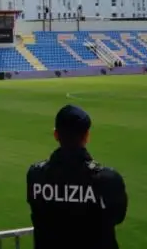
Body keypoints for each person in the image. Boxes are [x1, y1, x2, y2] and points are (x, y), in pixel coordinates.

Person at [26, 105, 128, 249]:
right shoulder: (107, 179)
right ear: (87, 136)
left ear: (56, 135)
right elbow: (117, 217)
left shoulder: (35, 175)